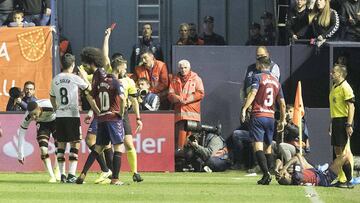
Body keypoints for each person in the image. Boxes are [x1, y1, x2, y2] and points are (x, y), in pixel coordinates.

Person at [76, 51, 126, 186]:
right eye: (124, 68)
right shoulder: (116, 82)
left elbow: (90, 96)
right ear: (119, 68)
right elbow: (122, 98)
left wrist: (96, 111)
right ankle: (115, 179)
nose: (125, 71)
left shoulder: (102, 82)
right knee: (119, 147)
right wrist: (121, 112)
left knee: (98, 148)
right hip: (113, 118)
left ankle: (83, 173)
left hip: (102, 118)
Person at [102, 27, 144, 182]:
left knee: (127, 143)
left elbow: (133, 100)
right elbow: (105, 56)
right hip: (111, 112)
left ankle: (135, 172)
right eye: (124, 66)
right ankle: (111, 173)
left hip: (123, 113)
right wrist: (106, 37)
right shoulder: (111, 73)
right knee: (109, 145)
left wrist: (138, 118)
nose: (125, 68)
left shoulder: (129, 81)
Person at [241, 56, 286, 185]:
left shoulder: (258, 77)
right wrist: (282, 120)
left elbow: (253, 93)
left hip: (259, 115)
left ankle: (266, 174)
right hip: (271, 117)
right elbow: (282, 103)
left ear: (260, 65)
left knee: (258, 146)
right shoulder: (276, 81)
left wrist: (244, 108)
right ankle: (268, 174)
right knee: (268, 148)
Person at [49, 53, 90, 183]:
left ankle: (62, 174)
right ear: (72, 65)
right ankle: (72, 174)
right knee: (75, 143)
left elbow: (52, 97)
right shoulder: (75, 78)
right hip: (72, 115)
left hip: (60, 115)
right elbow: (89, 88)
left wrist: (57, 109)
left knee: (61, 145)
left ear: (61, 64)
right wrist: (84, 77)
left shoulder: (55, 79)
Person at [16, 100, 57, 182]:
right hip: (42, 124)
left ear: (39, 108)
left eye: (35, 114)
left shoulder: (49, 106)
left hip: (55, 120)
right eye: (32, 115)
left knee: (59, 146)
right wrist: (20, 153)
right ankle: (52, 176)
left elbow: (63, 112)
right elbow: (22, 131)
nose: (33, 117)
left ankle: (57, 169)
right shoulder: (27, 116)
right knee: (43, 149)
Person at [168, 60, 204, 150]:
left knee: (191, 137)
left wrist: (186, 100)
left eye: (185, 68)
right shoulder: (175, 80)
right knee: (179, 137)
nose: (183, 70)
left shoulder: (196, 78)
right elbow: (170, 95)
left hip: (192, 113)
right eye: (181, 68)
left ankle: (189, 157)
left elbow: (200, 93)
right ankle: (180, 156)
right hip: (180, 114)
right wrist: (178, 98)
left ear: (189, 68)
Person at [329, 64, 356, 186]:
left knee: (344, 153)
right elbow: (335, 107)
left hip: (343, 121)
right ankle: (342, 179)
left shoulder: (346, 87)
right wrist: (331, 122)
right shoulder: (335, 86)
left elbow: (351, 106)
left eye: (333, 72)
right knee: (338, 151)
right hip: (336, 120)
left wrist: (349, 124)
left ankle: (348, 180)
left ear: (340, 74)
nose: (331, 74)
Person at [276, 152, 354, 188]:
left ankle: (319, 167)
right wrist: (284, 168)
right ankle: (349, 181)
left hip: (314, 172)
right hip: (324, 177)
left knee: (298, 155)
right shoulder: (296, 176)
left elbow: (278, 160)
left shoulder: (292, 176)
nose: (284, 171)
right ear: (285, 176)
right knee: (345, 157)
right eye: (283, 173)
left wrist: (277, 169)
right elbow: (296, 159)